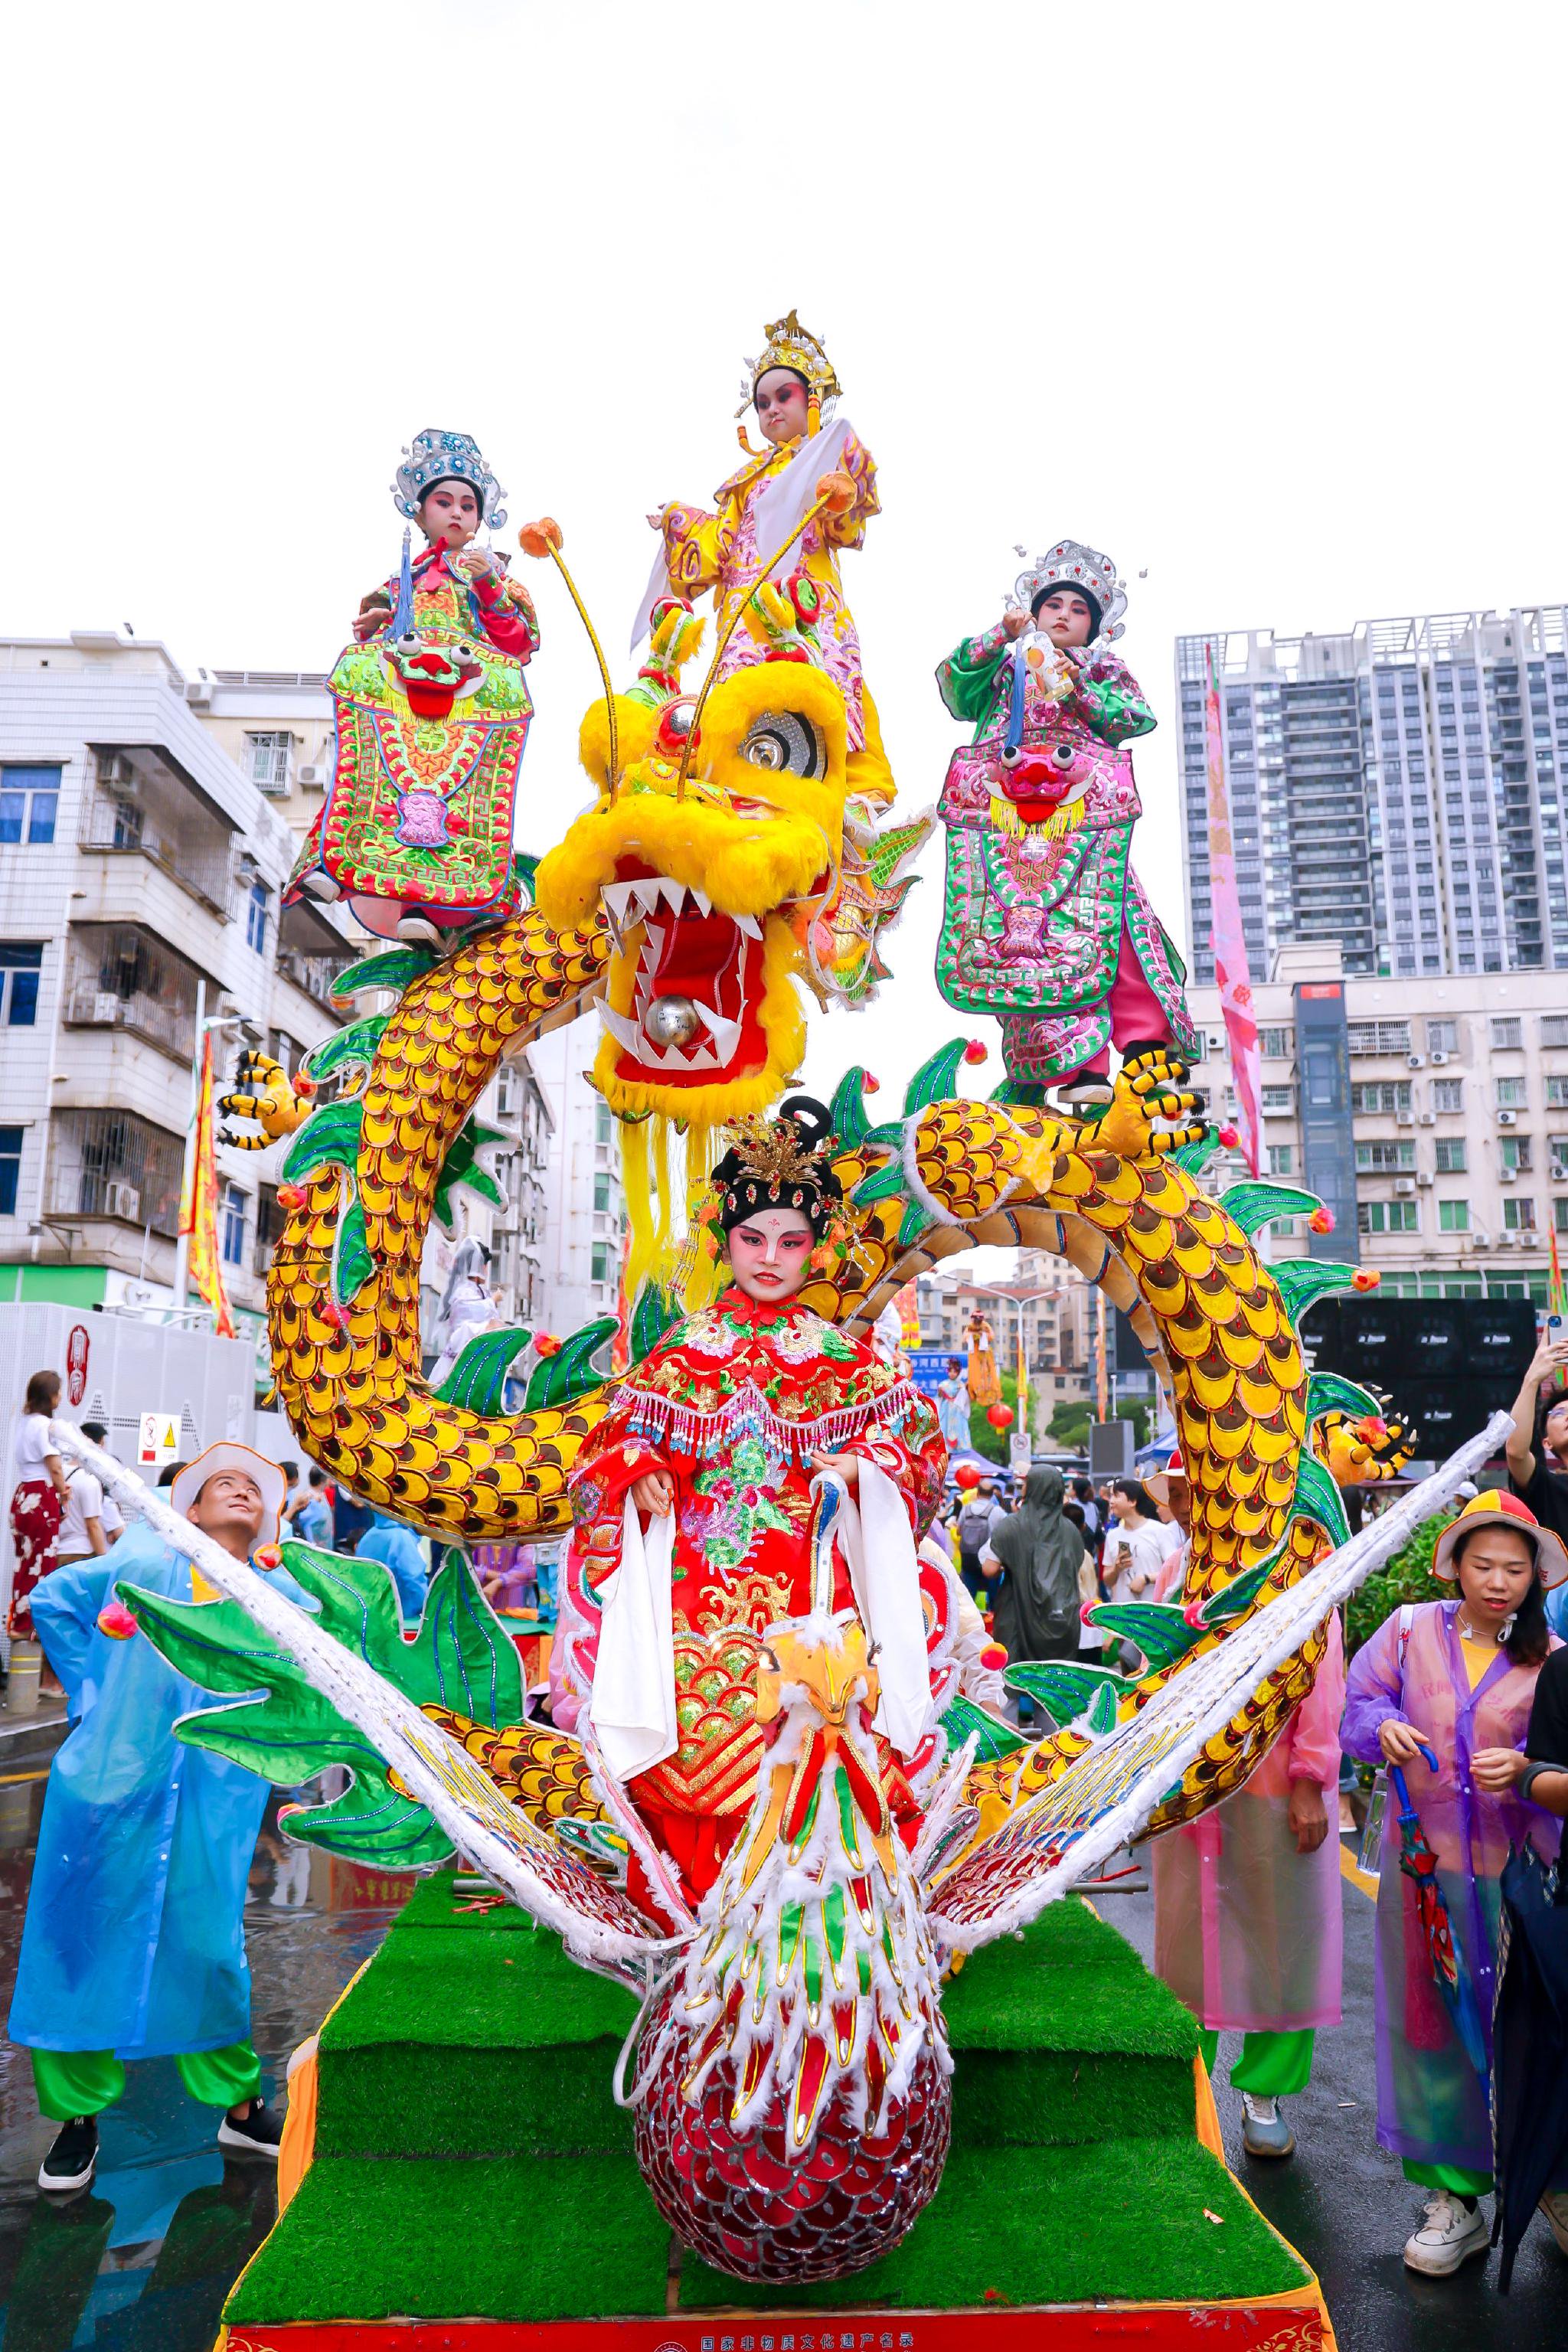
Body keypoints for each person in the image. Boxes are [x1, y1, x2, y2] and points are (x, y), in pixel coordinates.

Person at [550, 1096, 945, 1916]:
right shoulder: (682, 1351)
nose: (769, 1257)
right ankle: (691, 1937)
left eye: (790, 1242)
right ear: (723, 1242)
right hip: (694, 1615)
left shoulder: (843, 1363)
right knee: (691, 1773)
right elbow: (601, 1452)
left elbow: (922, 1458)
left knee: (813, 1760)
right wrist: (641, 1469)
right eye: (752, 1239)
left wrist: (868, 1465)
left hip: (808, 1613)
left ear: (816, 1249)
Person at [10, 1442, 306, 2193]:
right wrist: (91, 1700)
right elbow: (53, 1599)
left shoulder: (273, 1595)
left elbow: (316, 1672)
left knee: (206, 1947)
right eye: (222, 1484)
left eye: (251, 1487)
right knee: (79, 1942)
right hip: (111, 1790)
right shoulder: (141, 1561)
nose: (239, 1491)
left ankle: (238, 2109)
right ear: (193, 1508)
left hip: (215, 1796)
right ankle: (77, 2123)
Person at [1341, 1490, 1564, 2276]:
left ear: (1535, 1577)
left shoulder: (1552, 1658)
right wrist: (1379, 1729)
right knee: (1432, 2033)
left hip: (1522, 1886)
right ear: (1454, 1566)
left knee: (1527, 2031)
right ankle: (1454, 2201)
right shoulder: (1407, 1633)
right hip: (1424, 1880)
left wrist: (1530, 1772)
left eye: (1514, 1568)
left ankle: (1546, 2179)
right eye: (1482, 1565)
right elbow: (1357, 1702)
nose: (1497, 1581)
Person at [933, 542, 1198, 1107]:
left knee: (1113, 923)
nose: (1063, 615)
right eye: (1053, 603)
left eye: (1078, 610)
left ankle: (1141, 1048)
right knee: (1023, 939)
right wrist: (995, 637)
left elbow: (1134, 717)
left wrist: (1078, 689)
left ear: (1093, 625)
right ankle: (1078, 1068)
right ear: (1032, 610)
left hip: (1083, 820)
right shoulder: (1007, 665)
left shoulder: (1103, 669)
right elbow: (958, 689)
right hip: (1009, 824)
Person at [285, 428, 541, 949]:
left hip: (463, 709)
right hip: (403, 701)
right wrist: (376, 623)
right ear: (420, 513)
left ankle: (430, 905)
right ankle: (333, 864)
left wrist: (488, 586)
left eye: (468, 505)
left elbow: (518, 641)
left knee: (456, 800)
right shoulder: (403, 577)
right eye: (443, 502)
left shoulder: (495, 575)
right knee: (369, 776)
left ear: (480, 517)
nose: (456, 513)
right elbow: (380, 628)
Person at [639, 311, 892, 803]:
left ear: (811, 400)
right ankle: (739, 792)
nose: (772, 410)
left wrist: (835, 483)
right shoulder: (744, 483)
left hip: (805, 603)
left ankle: (838, 797)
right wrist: (676, 519)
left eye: (784, 397)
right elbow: (718, 546)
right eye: (762, 402)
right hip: (744, 609)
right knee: (739, 702)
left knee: (816, 690)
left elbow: (847, 519)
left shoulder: (822, 459)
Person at [1154, 1606, 1346, 2161]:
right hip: (1195, 1792)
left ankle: (1263, 2093)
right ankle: (1185, 2089)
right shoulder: (1188, 1577)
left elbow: (1321, 1684)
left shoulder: (1307, 1583)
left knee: (1283, 1945)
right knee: (1189, 1948)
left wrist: (1310, 1780)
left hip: (1275, 1790)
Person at [982, 1465, 1090, 1674]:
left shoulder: (1011, 1526)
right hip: (1061, 1616)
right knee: (1052, 1685)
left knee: (1012, 1681)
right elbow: (1076, 1564)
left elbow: (989, 1569)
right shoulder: (1071, 1530)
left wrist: (1013, 1561)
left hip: (1016, 1612)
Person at [1504, 1331, 1568, 1638]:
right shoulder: (1545, 1487)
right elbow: (1516, 1451)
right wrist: (1533, 1379)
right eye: (1559, 1413)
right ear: (1546, 1442)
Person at [8, 1371, 69, 1639]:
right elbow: (54, 1467)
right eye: (58, 1392)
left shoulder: (24, 1423)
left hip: (22, 1496)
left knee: (25, 1562)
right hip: (41, 1496)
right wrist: (63, 1492)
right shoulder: (46, 1426)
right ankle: (33, 1624)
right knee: (43, 1562)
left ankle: (19, 1620)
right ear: (51, 1396)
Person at [356, 1510, 430, 1624]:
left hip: (373, 1615)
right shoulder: (401, 1538)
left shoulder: (368, 1536)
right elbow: (414, 1579)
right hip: (403, 1618)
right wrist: (428, 1609)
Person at [1102, 1478, 1167, 1605]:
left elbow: (1174, 1572)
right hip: (1123, 1615)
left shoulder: (1160, 1531)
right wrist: (1116, 1568)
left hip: (1154, 1612)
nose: (1111, 1502)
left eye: (1116, 1496)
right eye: (1111, 1497)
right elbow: (1107, 1580)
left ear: (1132, 1501)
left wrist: (1145, 1579)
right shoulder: (1112, 1536)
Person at [956, 1478, 1006, 1603]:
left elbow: (958, 1531)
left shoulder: (966, 1509)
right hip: (989, 1560)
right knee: (995, 1599)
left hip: (968, 1559)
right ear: (992, 1494)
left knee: (968, 1600)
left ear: (978, 1493)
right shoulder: (997, 1511)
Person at [935, 1356, 970, 1449]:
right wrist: (940, 1392)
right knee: (944, 1426)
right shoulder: (943, 1384)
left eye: (955, 1372)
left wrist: (963, 1390)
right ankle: (944, 1448)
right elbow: (938, 1398)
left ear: (958, 1373)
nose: (952, 1374)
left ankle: (960, 1447)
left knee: (958, 1427)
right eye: (950, 1371)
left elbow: (964, 1400)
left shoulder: (961, 1385)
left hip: (957, 1410)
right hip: (945, 1410)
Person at [295, 1468, 333, 1549]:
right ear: (323, 1480)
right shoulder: (308, 1497)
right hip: (315, 1546)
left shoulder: (321, 1494)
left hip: (326, 1543)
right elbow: (305, 1522)